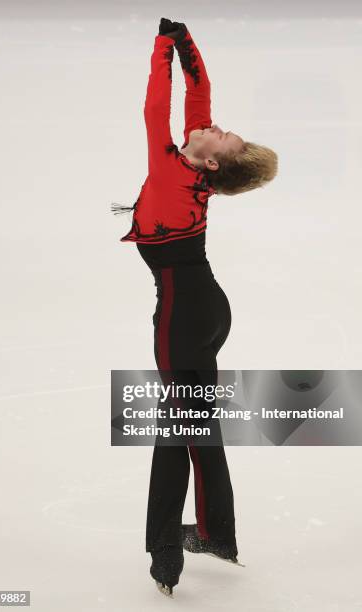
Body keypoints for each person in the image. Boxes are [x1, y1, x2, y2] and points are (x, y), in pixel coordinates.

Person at [111, 18, 278, 597]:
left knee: (173, 431)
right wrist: (186, 46)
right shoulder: (192, 166)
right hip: (205, 311)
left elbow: (156, 108)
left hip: (182, 317)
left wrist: (161, 48)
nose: (215, 126)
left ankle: (165, 557)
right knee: (196, 424)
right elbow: (196, 97)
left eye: (222, 136)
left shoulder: (173, 170)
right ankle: (215, 534)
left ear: (211, 163)